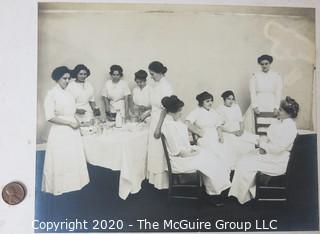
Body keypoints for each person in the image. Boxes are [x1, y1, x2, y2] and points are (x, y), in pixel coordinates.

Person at [160, 95, 231, 205]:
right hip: (179, 160)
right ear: (172, 112)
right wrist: (192, 153)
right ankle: (213, 194)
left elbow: (183, 142)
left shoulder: (175, 123)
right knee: (207, 161)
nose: (181, 113)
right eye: (179, 111)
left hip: (185, 154)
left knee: (211, 156)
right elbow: (177, 151)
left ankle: (215, 190)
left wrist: (192, 149)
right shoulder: (169, 126)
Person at [229, 96, 299, 204]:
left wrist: (262, 145)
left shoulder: (289, 127)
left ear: (288, 113)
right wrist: (261, 144)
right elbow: (272, 139)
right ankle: (242, 193)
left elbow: (278, 148)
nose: (277, 111)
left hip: (278, 160)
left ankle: (242, 196)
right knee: (244, 157)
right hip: (271, 154)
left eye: (280, 110)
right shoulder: (281, 122)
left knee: (245, 163)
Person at [42, 66, 90, 195]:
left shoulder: (69, 93)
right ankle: (60, 188)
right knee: (61, 160)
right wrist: (69, 123)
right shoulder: (51, 94)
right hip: (60, 131)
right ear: (57, 78)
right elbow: (50, 117)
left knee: (72, 159)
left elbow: (72, 111)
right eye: (64, 78)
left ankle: (73, 186)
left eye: (69, 78)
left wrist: (76, 121)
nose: (67, 81)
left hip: (72, 131)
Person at [185, 91, 233, 170]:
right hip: (205, 136)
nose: (210, 103)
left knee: (227, 146)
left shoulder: (213, 111)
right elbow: (187, 123)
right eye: (207, 101)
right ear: (201, 102)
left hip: (216, 134)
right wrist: (198, 132)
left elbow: (218, 125)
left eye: (211, 101)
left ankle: (226, 170)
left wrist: (220, 136)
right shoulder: (197, 111)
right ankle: (217, 170)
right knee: (214, 149)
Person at [147, 61, 173, 189]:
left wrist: (158, 128)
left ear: (159, 72)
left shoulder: (165, 87)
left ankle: (162, 183)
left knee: (159, 150)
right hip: (155, 119)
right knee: (154, 150)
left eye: (152, 74)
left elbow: (164, 109)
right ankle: (155, 181)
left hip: (161, 121)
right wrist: (147, 113)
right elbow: (155, 105)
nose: (151, 76)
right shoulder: (157, 84)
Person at [216, 90, 256, 169]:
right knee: (234, 145)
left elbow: (241, 121)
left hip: (238, 131)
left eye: (232, 99)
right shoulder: (219, 109)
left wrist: (241, 131)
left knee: (249, 144)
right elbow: (219, 126)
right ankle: (235, 167)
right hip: (228, 132)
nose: (231, 101)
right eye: (228, 99)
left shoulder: (236, 107)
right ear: (224, 99)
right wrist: (232, 132)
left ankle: (246, 166)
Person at [244, 54, 283, 133]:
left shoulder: (276, 76)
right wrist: (255, 106)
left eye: (266, 63)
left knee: (274, 122)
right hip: (259, 101)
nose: (264, 66)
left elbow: (278, 92)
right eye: (262, 64)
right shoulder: (255, 76)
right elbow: (253, 92)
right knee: (255, 121)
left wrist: (276, 107)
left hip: (272, 101)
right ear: (260, 65)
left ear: (270, 64)